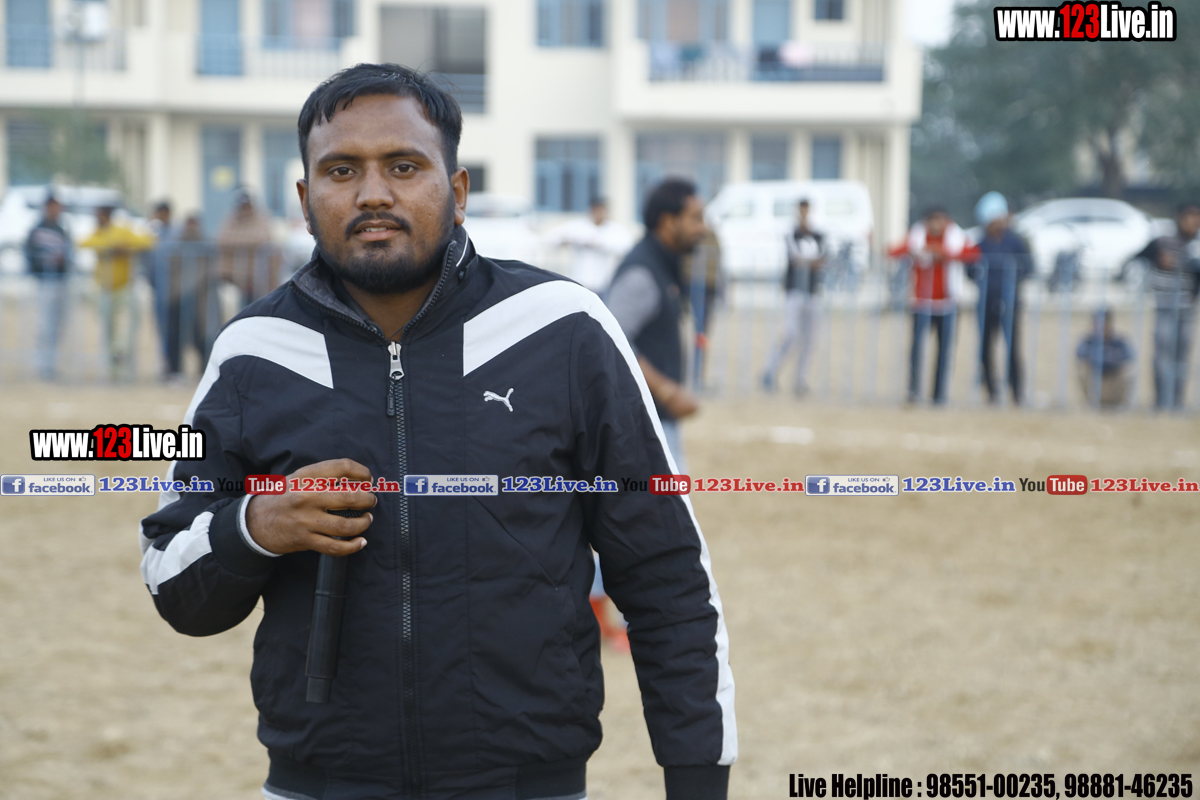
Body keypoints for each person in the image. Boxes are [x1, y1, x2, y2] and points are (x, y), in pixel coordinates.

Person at [139, 64, 734, 800]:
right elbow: (172, 581)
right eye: (341, 170)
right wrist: (253, 527)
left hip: (529, 786)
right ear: (304, 199)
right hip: (317, 784)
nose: (373, 193)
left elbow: (668, 576)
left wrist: (697, 780)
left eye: (403, 166)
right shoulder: (251, 352)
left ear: (456, 191)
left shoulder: (563, 329)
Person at [605, 177, 707, 470]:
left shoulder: (663, 262)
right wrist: (667, 392)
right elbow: (613, 341)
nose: (702, 228)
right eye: (695, 219)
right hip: (643, 430)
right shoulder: (641, 274)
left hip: (655, 423)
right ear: (668, 222)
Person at [889, 206, 979, 405]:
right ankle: (914, 390)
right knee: (916, 350)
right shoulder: (917, 236)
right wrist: (915, 252)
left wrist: (944, 254)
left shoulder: (957, 237)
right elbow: (893, 251)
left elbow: (974, 254)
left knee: (944, 352)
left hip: (948, 304)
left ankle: (939, 394)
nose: (936, 224)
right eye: (932, 220)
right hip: (922, 303)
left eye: (940, 220)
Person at [1135, 201, 1200, 410]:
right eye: (1191, 216)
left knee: (1182, 356)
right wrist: (1157, 259)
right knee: (1163, 354)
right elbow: (1138, 258)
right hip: (1164, 306)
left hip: (1186, 309)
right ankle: (1161, 400)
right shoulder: (1162, 241)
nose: (1195, 221)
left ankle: (1176, 400)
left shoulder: (1196, 246)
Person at [970, 191, 1032, 405]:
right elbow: (970, 270)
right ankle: (992, 392)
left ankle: (1017, 392)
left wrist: (1012, 282)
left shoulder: (1015, 242)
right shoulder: (980, 244)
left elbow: (1027, 267)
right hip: (986, 303)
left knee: (1012, 348)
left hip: (1010, 302)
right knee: (986, 348)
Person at [80, 205, 154, 382]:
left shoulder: (122, 231)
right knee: (108, 328)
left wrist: (126, 247)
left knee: (135, 315)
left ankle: (122, 350)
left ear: (107, 216)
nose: (98, 219)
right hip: (104, 289)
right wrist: (109, 246)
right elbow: (83, 243)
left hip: (124, 286)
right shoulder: (97, 233)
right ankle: (113, 371)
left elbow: (147, 241)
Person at [762, 199, 825, 396]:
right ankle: (770, 371)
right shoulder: (792, 234)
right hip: (794, 291)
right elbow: (796, 258)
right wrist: (810, 262)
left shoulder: (818, 235)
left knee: (809, 339)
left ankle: (800, 380)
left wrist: (809, 263)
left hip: (812, 291)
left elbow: (821, 260)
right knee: (791, 334)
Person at [25, 193, 73, 380]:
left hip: (60, 280)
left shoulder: (62, 229)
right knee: (45, 324)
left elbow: (69, 255)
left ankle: (50, 364)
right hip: (45, 281)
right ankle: (42, 365)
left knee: (57, 325)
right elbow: (30, 255)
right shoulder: (37, 230)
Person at [543, 196, 632, 293]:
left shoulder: (614, 229)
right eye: (597, 210)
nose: (599, 213)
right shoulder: (579, 226)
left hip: (603, 283)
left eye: (602, 210)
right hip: (578, 280)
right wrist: (569, 240)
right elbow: (551, 239)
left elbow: (626, 248)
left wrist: (600, 244)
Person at [217, 188, 280, 309]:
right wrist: (247, 243)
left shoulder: (261, 217)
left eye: (246, 205)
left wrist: (237, 242)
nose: (244, 209)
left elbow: (263, 238)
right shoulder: (230, 218)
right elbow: (222, 239)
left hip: (257, 276)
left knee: (257, 307)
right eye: (242, 206)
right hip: (234, 275)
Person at [1076, 308, 1134, 408]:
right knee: (1082, 367)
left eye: (1103, 323)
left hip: (1114, 382)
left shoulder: (1119, 341)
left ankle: (1119, 403)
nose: (1100, 327)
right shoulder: (1088, 341)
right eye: (1097, 323)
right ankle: (1093, 402)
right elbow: (1080, 354)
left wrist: (1105, 359)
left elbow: (1128, 356)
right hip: (1095, 383)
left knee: (1129, 369)